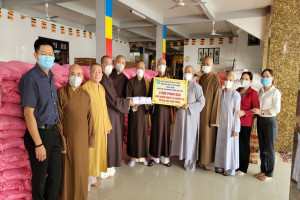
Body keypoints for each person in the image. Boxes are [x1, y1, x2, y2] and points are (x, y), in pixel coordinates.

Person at [18, 38, 62, 199]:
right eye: (44, 54)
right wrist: (39, 144)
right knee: (40, 178)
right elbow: (28, 113)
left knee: (56, 176)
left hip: (53, 132)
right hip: (39, 134)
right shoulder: (30, 79)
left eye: (51, 54)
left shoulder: (51, 75)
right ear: (36, 56)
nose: (48, 57)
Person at [57, 64, 95, 200]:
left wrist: (91, 138)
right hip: (67, 140)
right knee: (67, 171)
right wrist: (63, 142)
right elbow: (58, 119)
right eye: (73, 74)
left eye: (79, 74)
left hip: (82, 140)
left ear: (82, 76)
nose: (76, 77)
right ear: (68, 76)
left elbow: (90, 118)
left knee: (81, 170)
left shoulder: (85, 94)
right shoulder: (61, 93)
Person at [100, 56, 135, 178]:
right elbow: (112, 99)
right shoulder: (104, 79)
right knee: (109, 139)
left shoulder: (110, 78)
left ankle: (113, 162)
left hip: (117, 111)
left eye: (123, 63)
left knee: (116, 138)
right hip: (110, 111)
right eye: (107, 63)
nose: (109, 66)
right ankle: (107, 166)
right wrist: (128, 103)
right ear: (102, 64)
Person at [82, 63, 112, 189]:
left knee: (99, 151)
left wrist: (107, 125)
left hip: (102, 126)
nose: (97, 74)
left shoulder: (102, 88)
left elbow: (104, 108)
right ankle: (87, 180)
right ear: (90, 73)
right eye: (94, 71)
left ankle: (94, 178)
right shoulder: (85, 88)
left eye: (99, 71)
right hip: (91, 127)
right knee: (91, 153)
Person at [171, 65, 205, 171]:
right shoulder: (180, 85)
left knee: (190, 138)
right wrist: (176, 104)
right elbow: (175, 98)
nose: (187, 74)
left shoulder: (197, 87)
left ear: (193, 73)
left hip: (191, 117)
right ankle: (182, 156)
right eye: (185, 72)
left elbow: (202, 102)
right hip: (181, 116)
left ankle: (190, 161)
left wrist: (189, 106)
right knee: (182, 137)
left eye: (189, 71)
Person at [251, 69, 281, 182]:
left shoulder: (275, 92)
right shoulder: (261, 91)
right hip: (260, 121)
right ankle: (263, 170)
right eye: (263, 76)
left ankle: (269, 174)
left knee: (269, 149)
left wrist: (261, 112)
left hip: (269, 121)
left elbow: (276, 109)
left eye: (267, 76)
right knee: (262, 148)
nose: (265, 78)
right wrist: (256, 117)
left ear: (272, 77)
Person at [198, 56, 222, 171]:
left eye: (208, 64)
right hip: (199, 112)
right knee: (200, 136)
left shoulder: (216, 79)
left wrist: (214, 120)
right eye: (204, 64)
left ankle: (207, 162)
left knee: (208, 138)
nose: (205, 66)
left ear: (212, 65)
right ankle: (200, 160)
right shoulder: (202, 78)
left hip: (209, 114)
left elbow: (217, 101)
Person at [214, 73, 241, 176]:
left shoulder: (236, 95)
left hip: (231, 125)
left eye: (230, 80)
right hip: (221, 124)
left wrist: (236, 128)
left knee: (229, 146)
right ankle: (220, 166)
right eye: (226, 79)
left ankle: (229, 169)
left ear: (234, 82)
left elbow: (237, 113)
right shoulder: (221, 93)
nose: (228, 81)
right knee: (221, 145)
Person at [148, 58, 172, 167]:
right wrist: (150, 102)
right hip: (156, 111)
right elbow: (150, 95)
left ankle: (165, 157)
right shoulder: (154, 80)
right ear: (156, 66)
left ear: (166, 66)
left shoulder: (171, 80)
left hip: (166, 110)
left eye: (163, 64)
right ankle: (154, 157)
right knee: (155, 132)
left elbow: (175, 95)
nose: (161, 66)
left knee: (165, 133)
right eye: (159, 64)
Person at [126, 61, 150, 167]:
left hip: (144, 113)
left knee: (144, 135)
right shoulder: (130, 82)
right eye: (138, 67)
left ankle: (143, 158)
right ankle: (133, 158)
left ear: (145, 70)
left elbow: (150, 97)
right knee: (134, 134)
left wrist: (149, 103)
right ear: (136, 69)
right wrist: (133, 104)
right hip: (134, 112)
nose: (140, 69)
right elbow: (127, 96)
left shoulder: (147, 82)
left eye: (142, 68)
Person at [235, 71, 259, 176]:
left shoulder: (253, 93)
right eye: (242, 78)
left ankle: (243, 168)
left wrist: (244, 113)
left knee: (243, 145)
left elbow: (256, 109)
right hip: (235, 122)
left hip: (245, 123)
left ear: (250, 81)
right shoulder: (236, 91)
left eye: (246, 79)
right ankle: (235, 165)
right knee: (235, 145)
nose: (244, 80)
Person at [110, 55, 129, 143]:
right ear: (114, 62)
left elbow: (126, 96)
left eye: (122, 63)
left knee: (119, 132)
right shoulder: (108, 76)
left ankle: (118, 156)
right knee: (110, 133)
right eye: (118, 62)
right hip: (109, 108)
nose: (120, 64)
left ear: (125, 65)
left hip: (120, 110)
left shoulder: (125, 79)